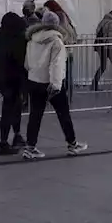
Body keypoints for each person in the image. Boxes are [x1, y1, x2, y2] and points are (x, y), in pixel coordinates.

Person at [22, 11, 88, 160]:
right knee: (63, 113)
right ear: (56, 24)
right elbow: (56, 64)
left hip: (34, 80)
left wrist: (33, 74)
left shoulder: (32, 39)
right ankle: (72, 144)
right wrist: (56, 84)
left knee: (35, 115)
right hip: (50, 83)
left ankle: (30, 147)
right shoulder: (56, 41)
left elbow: (27, 63)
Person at [0, 13, 28, 155]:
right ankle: (4, 142)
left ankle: (16, 136)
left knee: (13, 106)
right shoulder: (17, 41)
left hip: (1, 80)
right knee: (10, 108)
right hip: (13, 79)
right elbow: (21, 60)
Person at [43, 0, 78, 101]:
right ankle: (68, 96)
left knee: (63, 73)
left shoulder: (58, 16)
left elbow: (60, 30)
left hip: (64, 48)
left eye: (46, 8)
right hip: (68, 48)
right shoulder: (64, 15)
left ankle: (65, 96)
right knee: (67, 72)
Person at [92, 9, 112, 92]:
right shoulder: (111, 23)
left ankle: (94, 84)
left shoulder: (103, 21)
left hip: (102, 47)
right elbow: (111, 37)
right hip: (109, 47)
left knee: (103, 66)